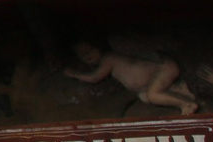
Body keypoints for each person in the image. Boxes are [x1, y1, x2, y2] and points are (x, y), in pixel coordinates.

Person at [65, 37, 200, 116]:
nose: (88, 56)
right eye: (83, 55)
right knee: (146, 97)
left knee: (153, 95)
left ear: (98, 47)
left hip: (163, 67)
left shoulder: (109, 58)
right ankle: (181, 91)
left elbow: (94, 78)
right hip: (157, 76)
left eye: (89, 50)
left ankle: (188, 104)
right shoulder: (109, 59)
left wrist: (74, 74)